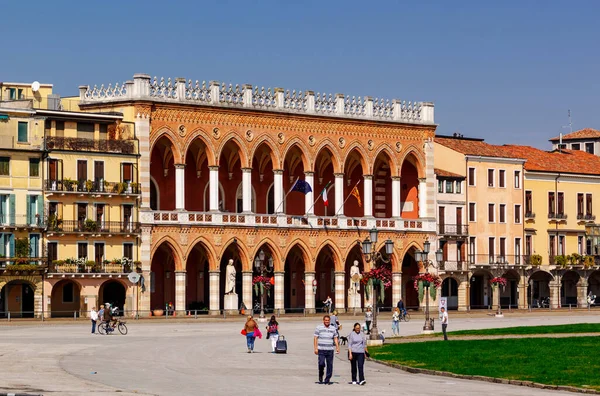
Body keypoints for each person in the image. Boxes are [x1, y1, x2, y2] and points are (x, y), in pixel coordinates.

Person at [314, 315, 340, 384]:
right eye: (325, 320)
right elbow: (315, 338)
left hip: (330, 349)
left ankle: (327, 379)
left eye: (328, 320)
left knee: (330, 365)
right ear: (323, 321)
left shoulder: (333, 328)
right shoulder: (319, 327)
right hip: (321, 349)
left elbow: (335, 338)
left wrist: (337, 347)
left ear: (329, 321)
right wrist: (315, 348)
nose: (327, 322)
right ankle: (321, 372)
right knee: (321, 363)